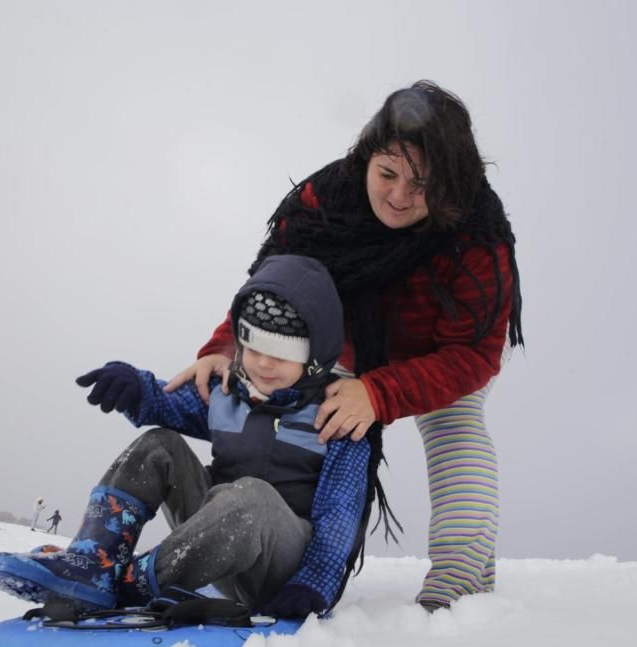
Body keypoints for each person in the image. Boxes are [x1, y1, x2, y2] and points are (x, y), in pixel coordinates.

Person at [167, 80, 523, 611]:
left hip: (444, 353)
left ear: (451, 183)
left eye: (421, 184)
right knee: (298, 417)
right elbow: (275, 288)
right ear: (367, 156)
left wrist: (380, 394)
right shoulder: (323, 201)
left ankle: (460, 580)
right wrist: (223, 347)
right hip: (346, 338)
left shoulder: (478, 236)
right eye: (387, 173)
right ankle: (272, 546)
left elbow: (473, 354)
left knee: (456, 429)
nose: (399, 196)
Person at [0, 255, 386, 619]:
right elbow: (168, 403)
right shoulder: (231, 393)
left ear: (314, 357)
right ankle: (93, 561)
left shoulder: (339, 417)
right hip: (212, 548)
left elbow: (340, 515)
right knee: (160, 443)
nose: (263, 363)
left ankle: (134, 584)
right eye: (254, 346)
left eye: (281, 354)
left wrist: (313, 583)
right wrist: (136, 389)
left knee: (251, 495)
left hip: (282, 568)